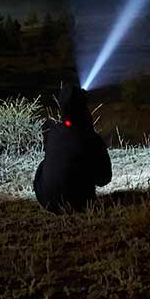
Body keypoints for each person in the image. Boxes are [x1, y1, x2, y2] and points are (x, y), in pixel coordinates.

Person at [32, 83, 111, 213]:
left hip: (47, 202)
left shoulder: (52, 131)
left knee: (44, 163)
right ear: (83, 110)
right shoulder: (92, 139)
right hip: (80, 203)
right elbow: (104, 179)